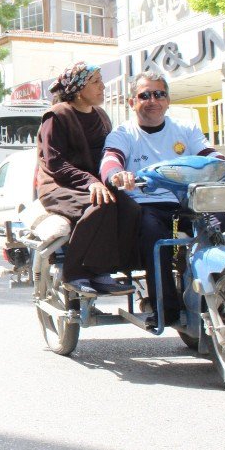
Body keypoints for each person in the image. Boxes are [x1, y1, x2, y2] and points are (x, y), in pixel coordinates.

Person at [102, 71, 225, 326]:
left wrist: (223, 165)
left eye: (159, 94)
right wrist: (117, 175)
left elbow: (209, 154)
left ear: (168, 100)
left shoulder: (186, 129)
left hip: (190, 202)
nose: (153, 100)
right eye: (144, 95)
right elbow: (110, 159)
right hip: (148, 205)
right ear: (132, 102)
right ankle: (165, 309)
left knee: (224, 222)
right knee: (152, 236)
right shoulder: (123, 133)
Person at [37, 62, 139, 296]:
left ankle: (105, 270)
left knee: (131, 209)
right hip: (59, 185)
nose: (102, 86)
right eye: (95, 82)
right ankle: (75, 273)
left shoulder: (101, 116)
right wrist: (90, 182)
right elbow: (55, 162)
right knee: (102, 206)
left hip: (95, 184)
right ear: (78, 89)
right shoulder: (57, 115)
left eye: (101, 80)